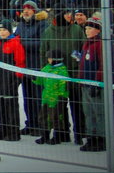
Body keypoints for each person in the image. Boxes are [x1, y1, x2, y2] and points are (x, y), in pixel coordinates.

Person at [40, 8, 86, 145]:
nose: (69, 16)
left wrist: (77, 63)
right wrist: (46, 72)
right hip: (55, 76)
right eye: (66, 13)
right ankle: (61, 133)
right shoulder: (49, 31)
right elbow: (43, 51)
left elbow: (83, 48)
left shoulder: (76, 30)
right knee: (59, 106)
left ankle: (79, 133)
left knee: (77, 105)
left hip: (74, 73)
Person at [15, 0, 48, 137]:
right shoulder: (21, 24)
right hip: (24, 66)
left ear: (35, 11)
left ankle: (41, 125)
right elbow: (15, 39)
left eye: (29, 9)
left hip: (37, 66)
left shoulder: (42, 24)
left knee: (38, 97)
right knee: (27, 97)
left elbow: (42, 44)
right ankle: (31, 123)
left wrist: (22, 43)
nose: (26, 12)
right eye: (24, 9)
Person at [0, 20, 25, 141]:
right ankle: (2, 130)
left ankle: (13, 132)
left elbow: (20, 62)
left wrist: (18, 78)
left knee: (11, 106)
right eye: (0, 30)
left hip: (10, 79)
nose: (2, 32)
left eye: (4, 30)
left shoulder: (15, 44)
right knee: (0, 105)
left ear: (9, 31)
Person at [77, 19, 106, 152]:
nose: (87, 31)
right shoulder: (86, 44)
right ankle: (91, 137)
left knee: (98, 112)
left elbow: (102, 65)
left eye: (90, 28)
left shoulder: (100, 44)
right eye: (86, 28)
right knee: (88, 112)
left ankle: (101, 138)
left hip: (95, 84)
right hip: (85, 83)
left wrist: (98, 82)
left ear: (98, 30)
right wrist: (80, 80)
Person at [33, 49, 69, 145]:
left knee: (56, 118)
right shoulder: (46, 68)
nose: (48, 60)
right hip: (46, 98)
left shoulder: (62, 71)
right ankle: (44, 136)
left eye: (50, 58)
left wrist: (62, 96)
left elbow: (64, 85)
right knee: (43, 117)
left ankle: (57, 136)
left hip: (56, 99)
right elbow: (40, 80)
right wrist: (34, 78)